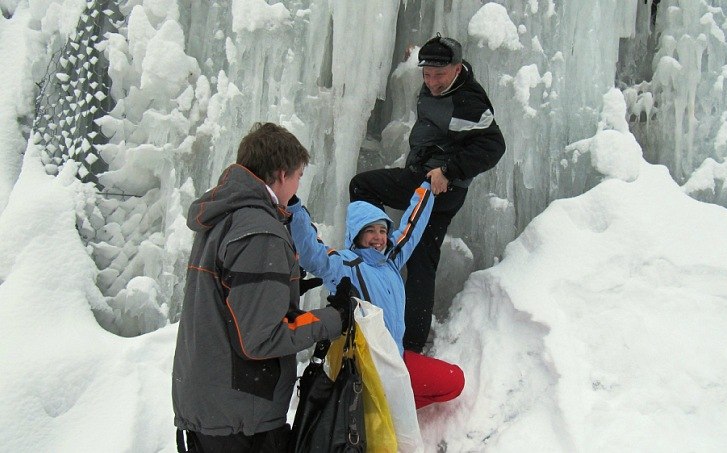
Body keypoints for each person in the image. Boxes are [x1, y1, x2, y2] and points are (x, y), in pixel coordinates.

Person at [172, 122, 350, 452]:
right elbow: (260, 338)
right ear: (281, 174)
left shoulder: (227, 215)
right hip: (240, 417)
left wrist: (285, 285)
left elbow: (233, 302)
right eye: (298, 175)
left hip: (214, 405)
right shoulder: (260, 231)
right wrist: (334, 319)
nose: (297, 187)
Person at [349, 34, 506, 353]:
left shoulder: (468, 101)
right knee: (422, 264)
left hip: (434, 186)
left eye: (439, 74)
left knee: (362, 186)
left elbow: (493, 146)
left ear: (457, 68)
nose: (432, 82)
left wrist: (448, 171)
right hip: (428, 181)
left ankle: (374, 250)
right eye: (427, 74)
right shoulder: (440, 83)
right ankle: (411, 347)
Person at [287, 181, 465, 409]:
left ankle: (390, 410)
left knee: (454, 380)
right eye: (370, 230)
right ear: (356, 235)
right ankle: (379, 410)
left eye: (382, 230)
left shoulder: (390, 260)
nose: (378, 237)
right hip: (368, 368)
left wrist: (428, 189)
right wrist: (293, 208)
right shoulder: (345, 266)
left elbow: (412, 228)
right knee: (444, 384)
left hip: (396, 358)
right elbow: (312, 253)